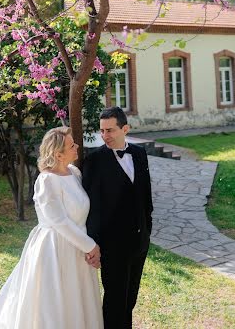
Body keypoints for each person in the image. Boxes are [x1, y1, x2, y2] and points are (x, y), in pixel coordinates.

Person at [0, 126, 103, 329]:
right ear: (59, 154)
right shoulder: (46, 181)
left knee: (77, 302)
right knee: (54, 305)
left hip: (78, 250)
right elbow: (59, 221)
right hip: (55, 251)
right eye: (72, 145)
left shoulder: (74, 173)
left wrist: (87, 247)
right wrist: (90, 246)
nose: (77, 146)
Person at [82, 106, 153, 329]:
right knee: (114, 303)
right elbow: (91, 209)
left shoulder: (140, 154)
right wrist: (94, 245)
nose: (105, 136)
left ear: (125, 129)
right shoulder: (94, 161)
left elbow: (146, 198)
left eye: (110, 130)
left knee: (130, 300)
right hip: (112, 247)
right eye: (102, 131)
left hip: (139, 244)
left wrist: (146, 232)